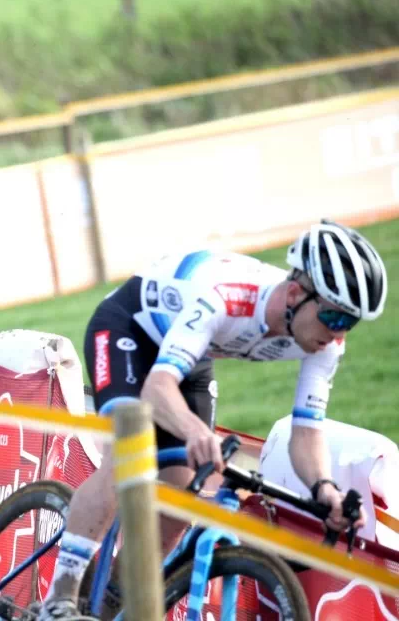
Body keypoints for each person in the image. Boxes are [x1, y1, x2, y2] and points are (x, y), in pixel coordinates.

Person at [37, 219, 388, 621]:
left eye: (350, 322)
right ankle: (59, 599)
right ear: (295, 294)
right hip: (129, 329)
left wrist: (324, 488)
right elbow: (157, 388)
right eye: (335, 318)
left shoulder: (325, 343)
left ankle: (114, 595)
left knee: (185, 489)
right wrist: (193, 430)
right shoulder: (226, 298)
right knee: (128, 459)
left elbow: (306, 431)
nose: (339, 333)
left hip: (191, 354)